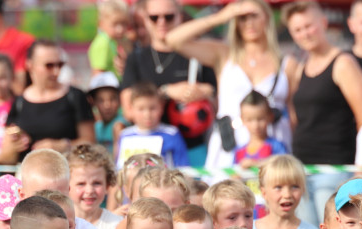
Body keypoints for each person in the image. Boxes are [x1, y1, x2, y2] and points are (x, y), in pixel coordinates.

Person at [167, 0, 292, 170]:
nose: (249, 23)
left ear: (267, 18)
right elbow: (174, 40)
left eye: (254, 16)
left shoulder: (286, 62)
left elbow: (294, 113)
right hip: (229, 145)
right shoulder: (224, 54)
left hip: (273, 147)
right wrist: (219, 17)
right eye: (241, 18)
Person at [284, 1, 362, 227]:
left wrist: (360, 169)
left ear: (323, 23)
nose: (305, 33)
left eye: (309, 26)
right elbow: (296, 118)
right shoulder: (299, 68)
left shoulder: (342, 63)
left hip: (335, 168)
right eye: (298, 29)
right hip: (302, 169)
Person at [120, 0, 218, 168]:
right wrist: (166, 92)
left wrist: (203, 91)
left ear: (180, 16)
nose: (161, 22)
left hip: (192, 147)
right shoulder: (136, 58)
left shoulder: (198, 56)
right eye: (154, 17)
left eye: (169, 16)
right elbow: (129, 110)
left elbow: (218, 102)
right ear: (144, 18)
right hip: (148, 150)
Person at [2, 40, 96, 162]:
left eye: (60, 65)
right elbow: (6, 152)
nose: (56, 72)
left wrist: (64, 145)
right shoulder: (19, 102)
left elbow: (90, 142)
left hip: (67, 173)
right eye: (49, 66)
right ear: (30, 65)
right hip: (29, 175)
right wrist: (14, 147)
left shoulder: (74, 96)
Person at [116, 82, 189, 169]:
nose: (147, 115)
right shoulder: (125, 135)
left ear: (161, 107)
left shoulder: (171, 134)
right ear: (131, 109)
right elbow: (119, 168)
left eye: (152, 108)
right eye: (141, 109)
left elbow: (183, 169)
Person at [234, 91, 289, 169]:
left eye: (260, 119)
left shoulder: (277, 147)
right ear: (242, 120)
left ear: (270, 117)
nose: (255, 125)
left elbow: (284, 169)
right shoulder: (239, 151)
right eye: (249, 120)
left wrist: (257, 164)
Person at [89, 0, 131, 78]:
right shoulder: (102, 43)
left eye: (124, 23)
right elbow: (98, 73)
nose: (120, 29)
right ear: (101, 23)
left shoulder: (117, 40)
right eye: (115, 24)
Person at [88, 72, 126, 156]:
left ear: (120, 100)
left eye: (112, 99)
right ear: (93, 102)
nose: (107, 105)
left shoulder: (120, 125)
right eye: (101, 100)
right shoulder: (96, 126)